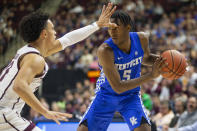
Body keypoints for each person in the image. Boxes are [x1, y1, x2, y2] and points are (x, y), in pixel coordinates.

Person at [0, 3, 116, 131]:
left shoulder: (29, 50)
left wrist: (97, 25)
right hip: (4, 113)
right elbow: (19, 86)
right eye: (53, 29)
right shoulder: (35, 59)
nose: (55, 33)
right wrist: (45, 111)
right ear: (44, 34)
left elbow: (68, 39)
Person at [78, 10, 167, 131]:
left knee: (144, 129)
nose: (112, 31)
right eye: (109, 28)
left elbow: (145, 58)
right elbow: (118, 87)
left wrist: (168, 63)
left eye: (116, 27)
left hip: (130, 96)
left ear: (128, 27)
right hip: (106, 95)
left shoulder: (142, 39)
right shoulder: (105, 50)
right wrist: (151, 75)